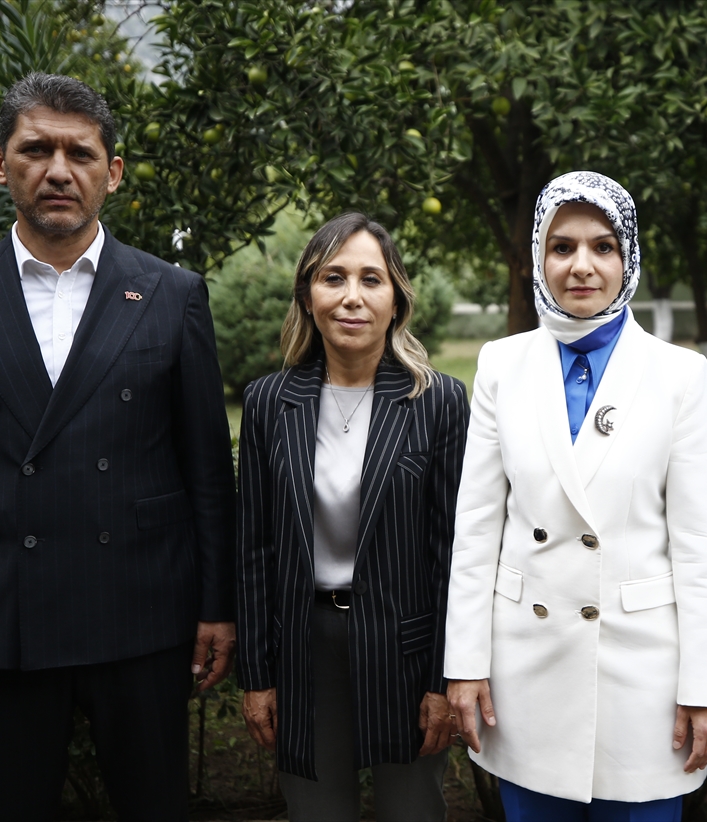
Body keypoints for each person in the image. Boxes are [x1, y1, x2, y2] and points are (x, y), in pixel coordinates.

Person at [0, 73, 235, 820]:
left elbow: (206, 470)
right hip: (1, 620)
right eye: (36, 150)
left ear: (112, 173)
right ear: (1, 163)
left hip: (143, 613)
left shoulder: (170, 293)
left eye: (81, 154)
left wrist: (217, 607)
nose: (58, 171)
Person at [445, 171, 707, 821]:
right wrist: (464, 664)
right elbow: (477, 528)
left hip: (643, 679)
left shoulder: (679, 375)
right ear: (537, 259)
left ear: (628, 258)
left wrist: (705, 688)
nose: (582, 265)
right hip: (527, 672)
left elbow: (699, 547)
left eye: (603, 246)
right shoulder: (500, 365)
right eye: (562, 246)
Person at [236, 212, 469, 821]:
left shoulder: (437, 401)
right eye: (333, 277)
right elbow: (255, 549)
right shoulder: (267, 404)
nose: (352, 297)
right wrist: (257, 675)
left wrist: (445, 680)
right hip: (303, 648)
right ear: (308, 296)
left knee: (413, 810)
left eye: (372, 279)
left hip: (406, 647)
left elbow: (452, 553)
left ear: (396, 300)